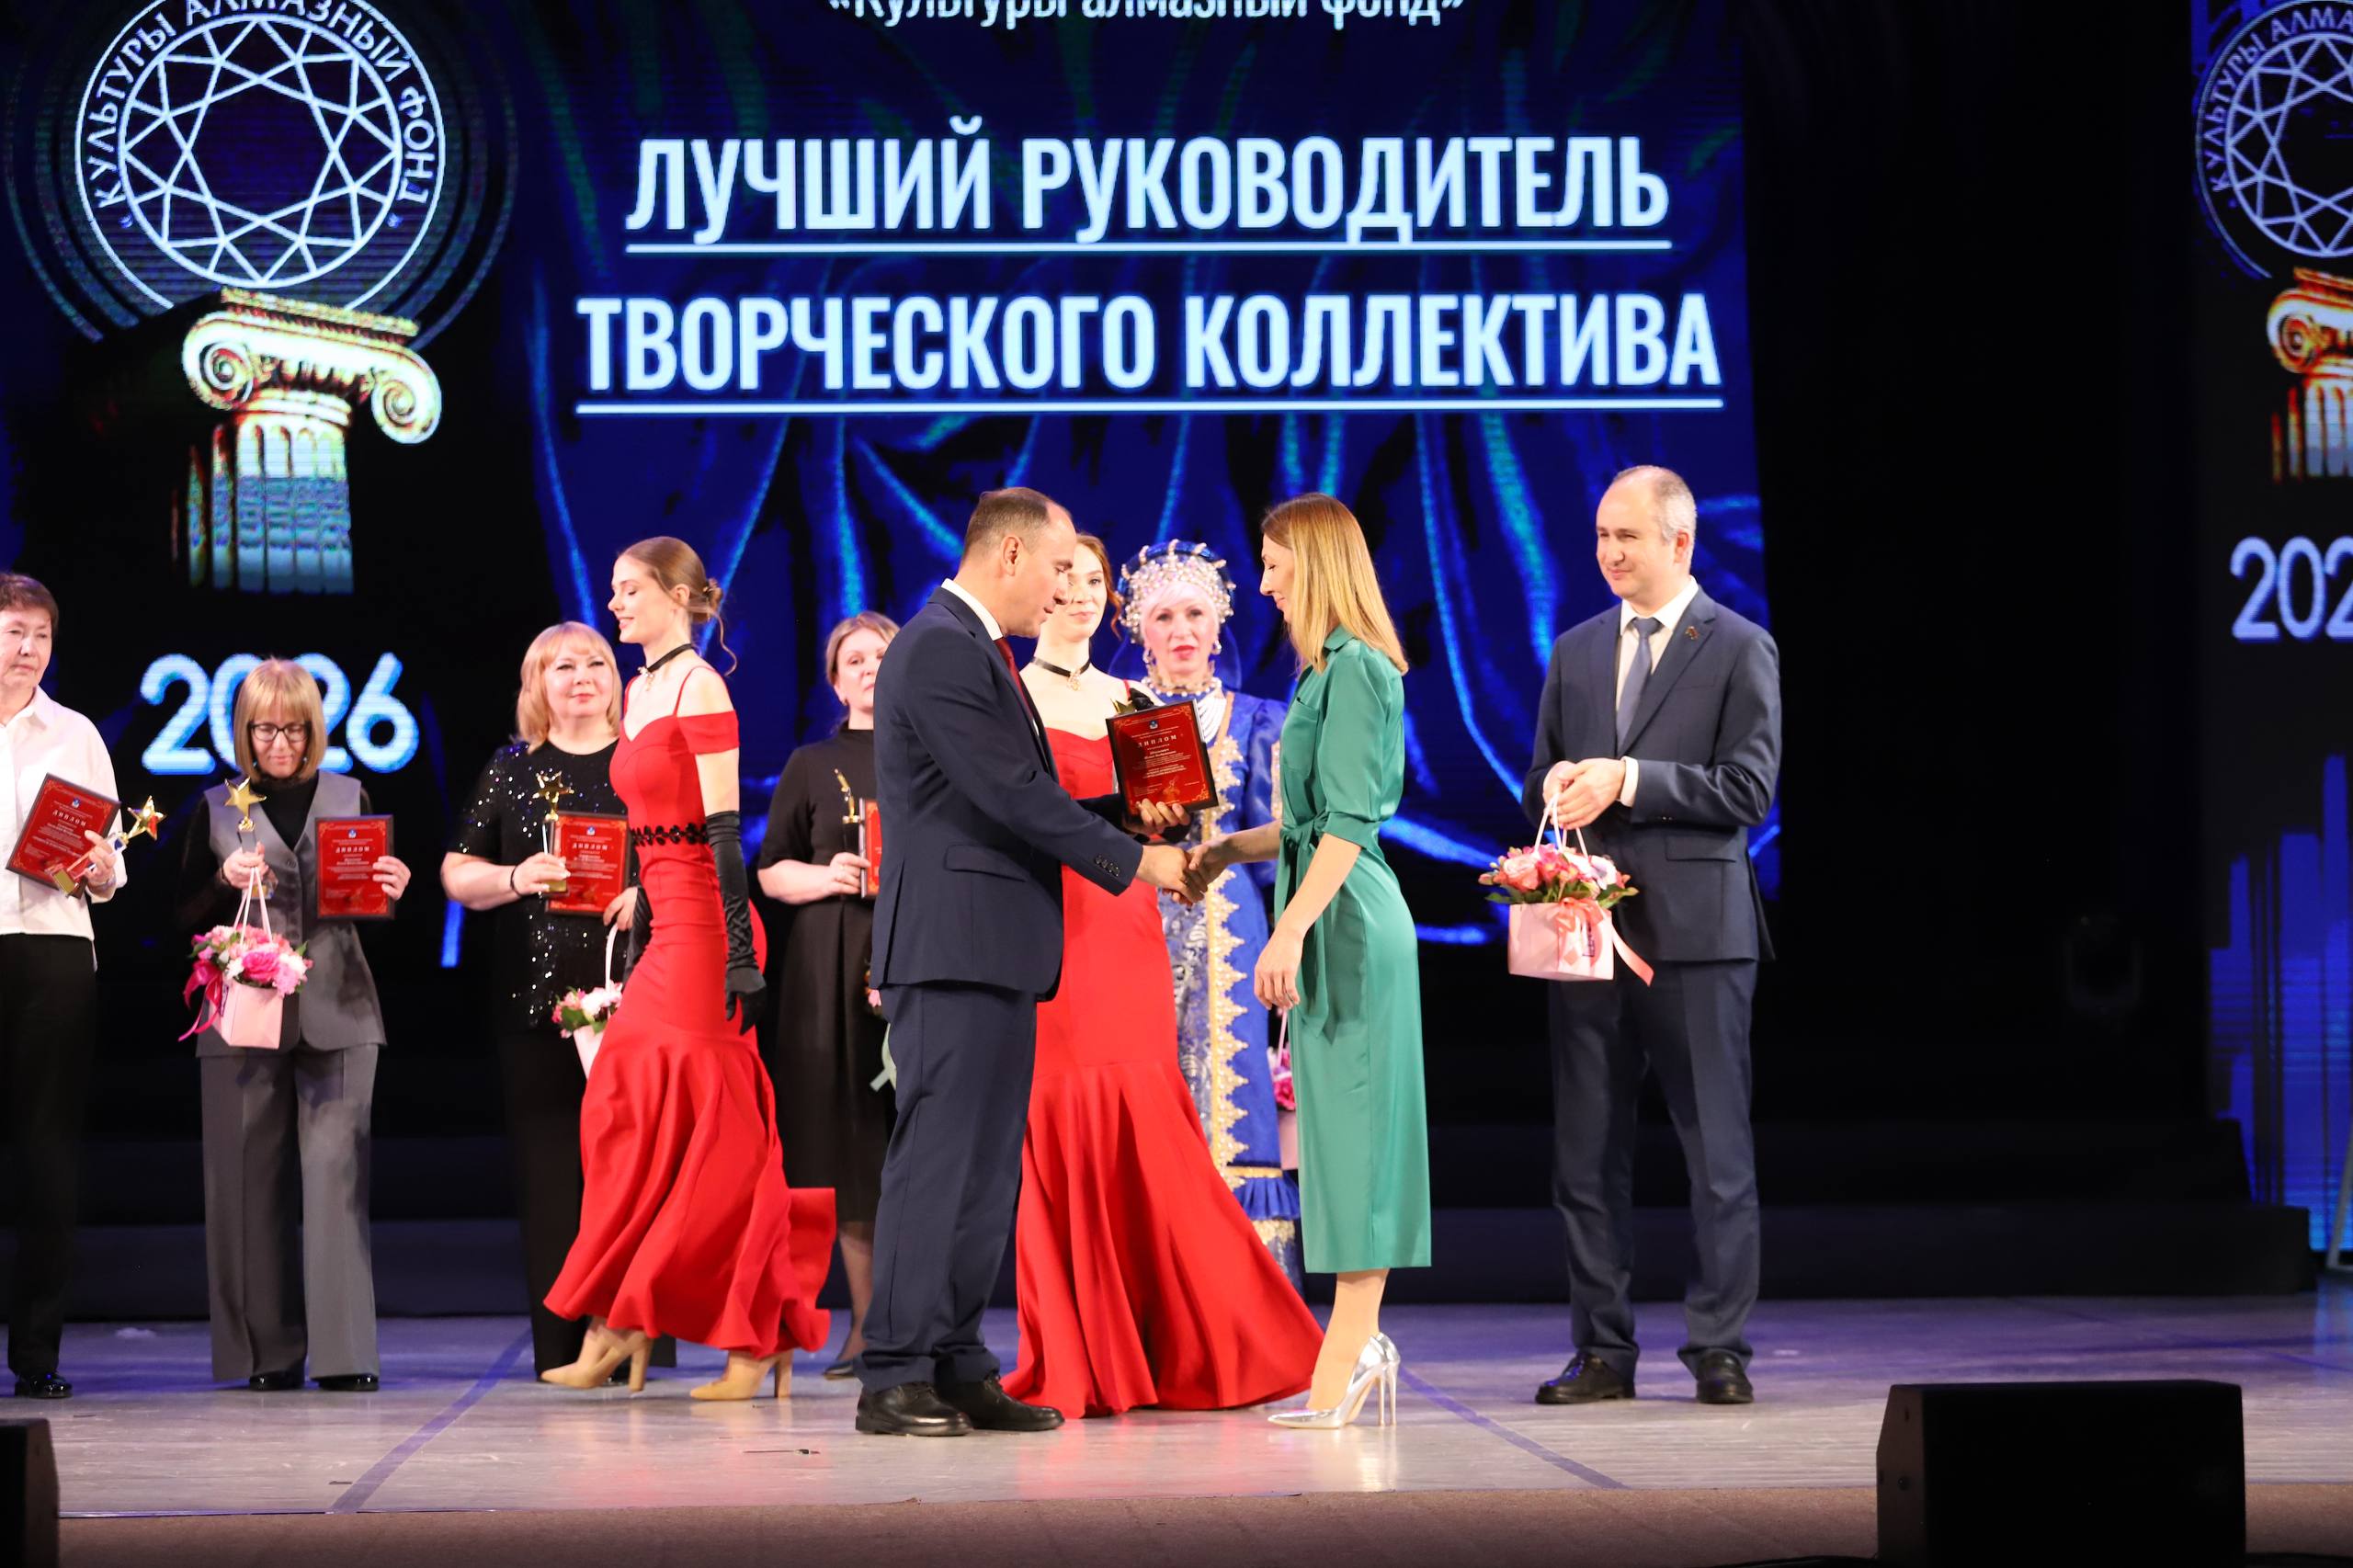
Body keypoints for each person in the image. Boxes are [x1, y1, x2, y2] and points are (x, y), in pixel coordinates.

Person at [854, 486, 1193, 1438]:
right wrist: (1134, 860)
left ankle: (956, 1361)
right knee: (938, 1160)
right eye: (1054, 567)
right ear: (1009, 554)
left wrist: (1130, 822)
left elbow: (1017, 795)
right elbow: (1009, 791)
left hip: (995, 946)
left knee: (983, 1170)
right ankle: (894, 1371)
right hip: (951, 946)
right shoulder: (938, 646)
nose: (1060, 590)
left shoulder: (976, 649)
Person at [999, 532, 1322, 1419]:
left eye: (1093, 581)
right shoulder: (1016, 696)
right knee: (1084, 1117)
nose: (1079, 593)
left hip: (1167, 919)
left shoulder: (1142, 706)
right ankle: (1096, 1335)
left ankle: (1211, 1327)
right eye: (1066, 578)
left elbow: (1171, 822)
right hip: (1073, 922)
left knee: (1188, 1115)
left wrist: (1174, 825)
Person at [541, 538, 835, 1400]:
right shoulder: (638, 691)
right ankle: (623, 1317)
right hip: (666, 920)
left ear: (677, 595)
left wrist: (740, 953)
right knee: (626, 1111)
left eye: (630, 589)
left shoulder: (702, 686)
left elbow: (722, 831)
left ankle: (754, 1332)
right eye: (613, 589)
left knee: (718, 1134)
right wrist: (641, 912)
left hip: (710, 926)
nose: (616, 603)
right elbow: (647, 830)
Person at [1522, 464, 1780, 1409]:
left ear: (1680, 541)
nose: (1609, 552)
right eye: (1601, 535)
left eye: (1626, 536)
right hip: (1588, 933)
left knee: (1715, 1152)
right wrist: (1557, 786)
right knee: (1586, 1154)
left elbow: (1749, 789)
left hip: (1699, 937)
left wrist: (1628, 779)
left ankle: (1719, 1347)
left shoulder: (1739, 644)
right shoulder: (1577, 649)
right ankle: (1601, 1349)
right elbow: (1540, 774)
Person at [1185, 493, 1428, 1429]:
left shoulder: (1359, 669)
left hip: (1349, 920)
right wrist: (1224, 850)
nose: (1263, 583)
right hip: (1324, 906)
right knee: (1331, 1136)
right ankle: (1357, 1343)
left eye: (1273, 564)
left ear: (1315, 565)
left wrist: (1285, 931)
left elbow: (1350, 824)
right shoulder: (1321, 672)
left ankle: (1352, 1346)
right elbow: (1302, 823)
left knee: (1359, 1137)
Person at [176, 658, 410, 1393]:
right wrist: (222, 883)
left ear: (316, 730)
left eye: (295, 729)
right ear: (243, 731)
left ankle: (345, 1356)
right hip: (244, 1014)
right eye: (265, 729)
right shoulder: (216, 806)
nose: (280, 743)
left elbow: (371, 915)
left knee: (338, 1183)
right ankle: (263, 1356)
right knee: (246, 1187)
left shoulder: (349, 795)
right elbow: (175, 917)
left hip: (341, 1008)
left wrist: (393, 890)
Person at [443, 622, 659, 1378]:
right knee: (550, 1177)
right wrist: (513, 878)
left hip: (636, 995)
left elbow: (695, 856)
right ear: (537, 684)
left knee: (633, 1172)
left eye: (597, 662)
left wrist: (649, 893)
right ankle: (563, 1345)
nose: (583, 676)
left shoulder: (643, 762)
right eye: (563, 666)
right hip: (534, 1003)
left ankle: (632, 1336)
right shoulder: (511, 769)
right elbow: (457, 872)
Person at [1121, 540, 1302, 1289]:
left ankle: (1244, 1296)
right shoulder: (1118, 715)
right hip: (1137, 922)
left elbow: (1288, 836)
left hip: (1233, 923)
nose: (1181, 631)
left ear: (1219, 624)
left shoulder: (1258, 719)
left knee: (1236, 1092)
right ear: (1141, 630)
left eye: (1195, 614)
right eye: (1164, 617)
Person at [756, 610, 897, 1379]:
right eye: (855, 660)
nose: (870, 669)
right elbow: (771, 871)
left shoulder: (935, 752)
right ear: (836, 681)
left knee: (910, 1140)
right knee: (846, 1143)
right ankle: (867, 1326)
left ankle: (920, 1324)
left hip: (915, 953)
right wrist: (827, 876)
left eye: (883, 655)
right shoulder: (811, 763)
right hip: (828, 962)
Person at [0, 574, 125, 1401]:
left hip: (52, 950)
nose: (28, 649)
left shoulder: (75, 734)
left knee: (46, 1153)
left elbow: (107, 864)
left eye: (41, 635)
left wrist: (105, 868)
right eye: (14, 631)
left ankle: (37, 1352)